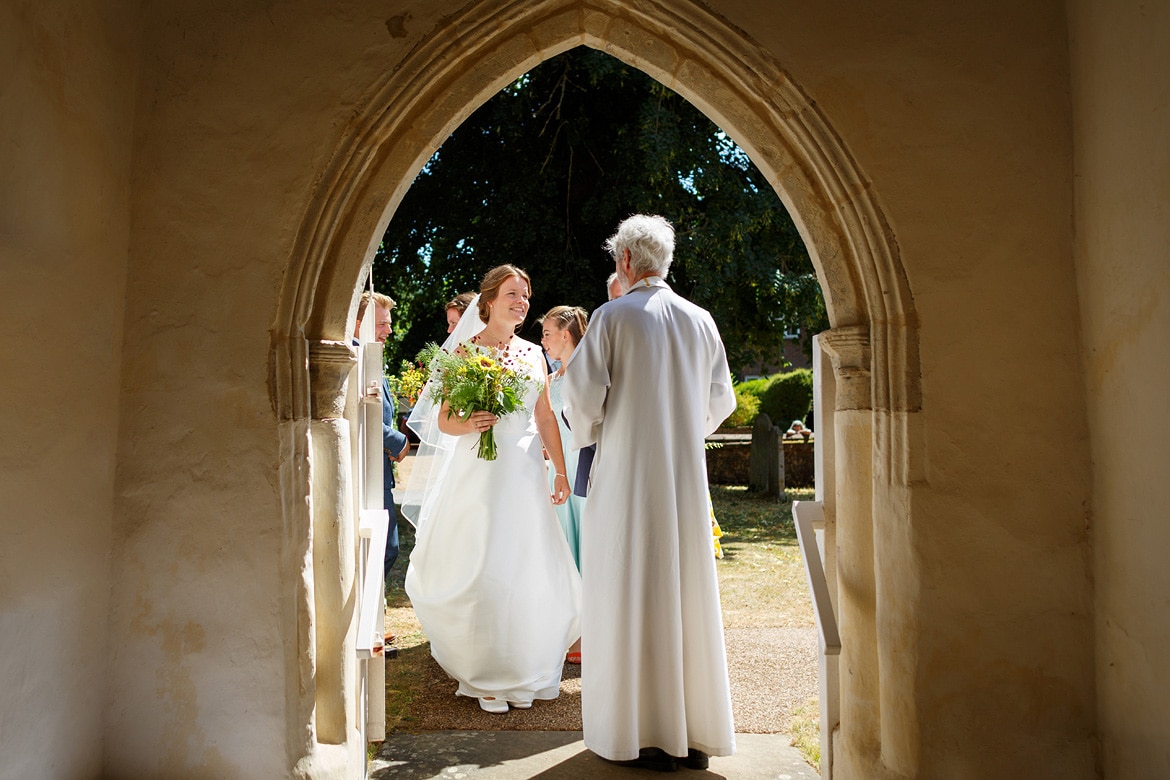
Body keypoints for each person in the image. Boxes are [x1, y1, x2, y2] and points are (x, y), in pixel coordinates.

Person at [563, 214, 737, 771]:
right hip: (683, 477)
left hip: (627, 477)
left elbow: (583, 401)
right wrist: (680, 428)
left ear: (625, 262)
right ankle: (692, 735)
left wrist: (602, 430)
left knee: (626, 587)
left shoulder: (613, 318)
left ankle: (637, 736)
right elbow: (722, 401)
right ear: (664, 262)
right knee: (684, 590)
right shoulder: (701, 319)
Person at [404, 265, 581, 714]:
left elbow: (543, 418)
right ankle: (484, 675)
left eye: (525, 295)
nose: (521, 302)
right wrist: (471, 423)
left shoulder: (531, 354)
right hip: (478, 474)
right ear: (488, 301)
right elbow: (443, 420)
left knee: (524, 567)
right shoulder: (465, 351)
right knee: (483, 566)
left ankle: (524, 666)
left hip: (523, 475)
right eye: (512, 294)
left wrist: (559, 472)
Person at [539, 305, 589, 664]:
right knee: (564, 547)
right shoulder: (553, 378)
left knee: (588, 544)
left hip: (583, 465)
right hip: (559, 467)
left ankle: (591, 632)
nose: (542, 340)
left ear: (566, 334)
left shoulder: (589, 373)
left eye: (547, 333)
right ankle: (571, 629)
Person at [353, 291, 411, 591]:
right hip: (366, 473)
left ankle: (373, 614)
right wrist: (398, 442)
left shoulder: (369, 356)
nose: (389, 330)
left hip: (379, 471)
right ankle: (366, 616)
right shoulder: (353, 358)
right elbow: (360, 414)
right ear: (357, 323)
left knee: (385, 548)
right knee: (384, 547)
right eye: (381, 324)